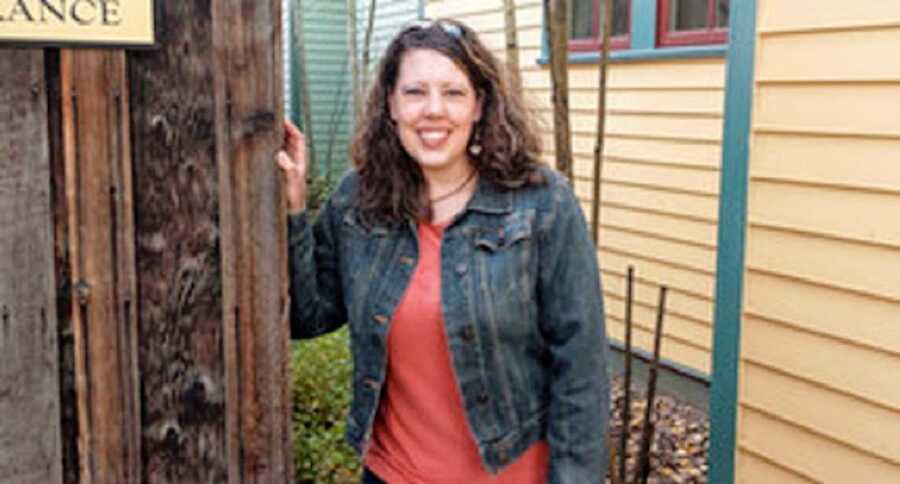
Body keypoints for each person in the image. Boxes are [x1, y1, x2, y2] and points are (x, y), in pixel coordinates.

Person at [276, 18, 609, 484]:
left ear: (480, 106)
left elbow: (582, 371)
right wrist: (294, 208)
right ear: (390, 105)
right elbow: (307, 316)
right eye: (415, 92)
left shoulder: (541, 203)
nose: (433, 110)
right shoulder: (360, 200)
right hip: (392, 475)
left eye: (453, 93)